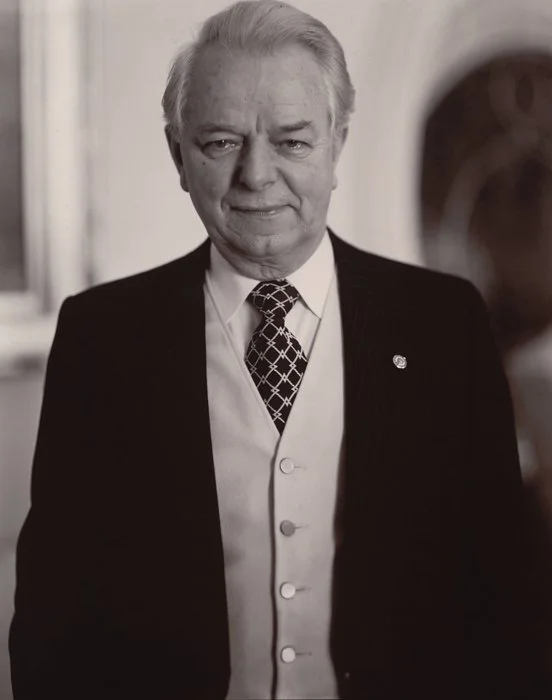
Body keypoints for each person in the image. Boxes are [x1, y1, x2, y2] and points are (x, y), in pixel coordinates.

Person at [8, 1, 543, 698]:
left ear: (336, 145)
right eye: (221, 143)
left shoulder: (444, 324)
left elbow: (506, 598)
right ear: (177, 154)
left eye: (291, 142)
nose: (257, 175)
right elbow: (53, 622)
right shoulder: (101, 338)